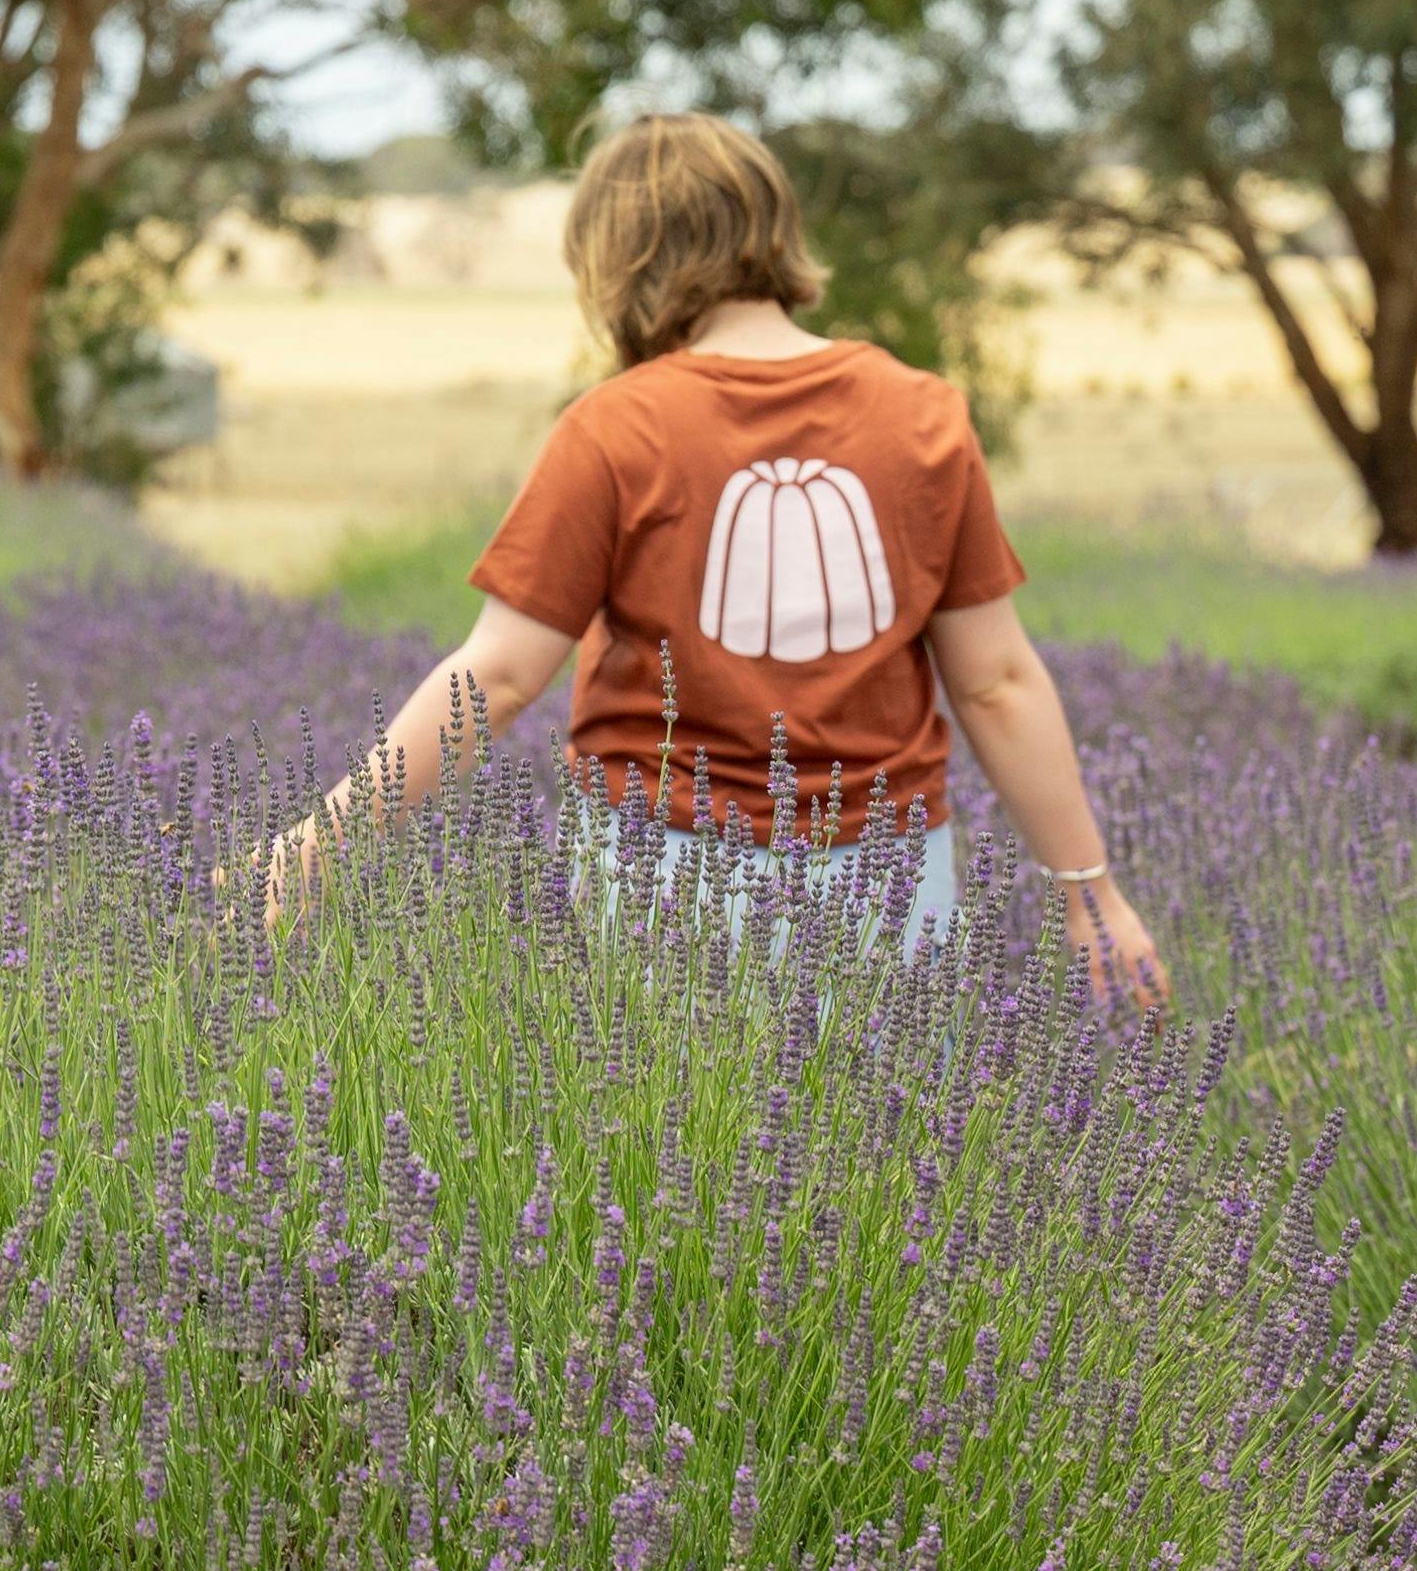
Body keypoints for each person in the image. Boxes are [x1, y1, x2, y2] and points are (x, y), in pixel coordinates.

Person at [277, 110, 1163, 996]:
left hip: (662, 886)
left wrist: (316, 848)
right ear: (772, 229)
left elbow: (499, 677)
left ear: (620, 260)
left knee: (648, 1095)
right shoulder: (924, 416)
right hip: (889, 890)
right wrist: (1091, 896)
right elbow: (997, 681)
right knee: (889, 1093)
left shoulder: (613, 429)